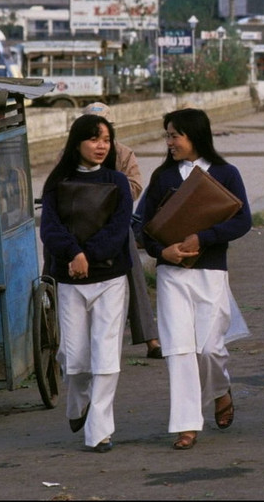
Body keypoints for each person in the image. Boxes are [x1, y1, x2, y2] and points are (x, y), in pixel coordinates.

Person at [139, 108, 253, 450]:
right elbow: (144, 228)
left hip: (211, 272)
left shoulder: (225, 173)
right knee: (179, 350)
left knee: (209, 348)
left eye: (176, 135)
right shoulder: (163, 177)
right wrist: (163, 252)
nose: (170, 142)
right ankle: (187, 423)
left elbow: (243, 220)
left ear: (195, 136)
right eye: (168, 135)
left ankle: (220, 389)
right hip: (172, 275)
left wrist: (204, 238)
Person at [39, 113, 134, 453]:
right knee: (74, 357)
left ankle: (99, 431)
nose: (101, 146)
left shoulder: (118, 182)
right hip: (70, 281)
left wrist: (87, 256)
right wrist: (74, 254)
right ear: (77, 142)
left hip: (110, 279)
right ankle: (78, 403)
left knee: (106, 357)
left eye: (106, 140)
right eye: (94, 139)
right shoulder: (57, 181)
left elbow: (119, 229)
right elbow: (49, 228)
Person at [81, 102, 162, 360]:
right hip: (80, 224)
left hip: (116, 222)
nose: (99, 142)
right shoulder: (68, 155)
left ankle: (151, 338)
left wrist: (106, 190)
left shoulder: (123, 153)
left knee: (134, 272)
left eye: (104, 132)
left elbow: (135, 187)